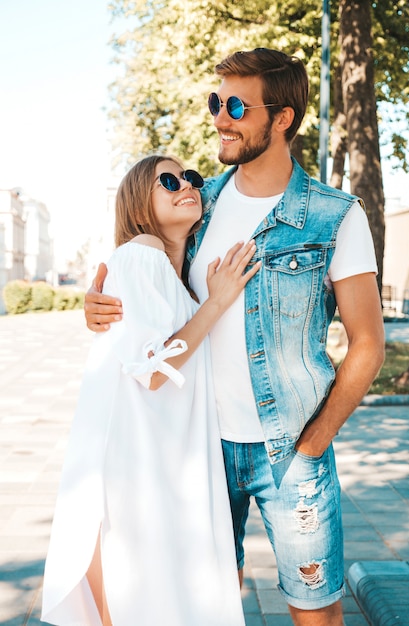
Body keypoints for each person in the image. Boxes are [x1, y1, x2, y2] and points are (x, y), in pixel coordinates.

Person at [84, 49, 385, 626]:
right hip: (200, 448)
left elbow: (368, 343)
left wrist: (314, 441)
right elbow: (149, 299)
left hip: (291, 453)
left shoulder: (335, 216)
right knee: (207, 606)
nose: (220, 117)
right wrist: (100, 310)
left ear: (283, 119)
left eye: (237, 105)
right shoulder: (198, 203)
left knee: (316, 615)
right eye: (216, 102)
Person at [42, 154, 261, 626]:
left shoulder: (170, 276)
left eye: (192, 178)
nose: (187, 185)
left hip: (155, 460)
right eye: (169, 179)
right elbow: (154, 367)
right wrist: (218, 301)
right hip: (134, 463)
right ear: (140, 205)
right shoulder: (141, 251)